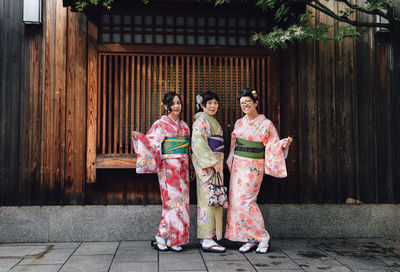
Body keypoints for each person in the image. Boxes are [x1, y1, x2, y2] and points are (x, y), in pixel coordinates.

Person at [225, 88, 293, 254]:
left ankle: (263, 237)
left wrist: (282, 144)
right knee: (235, 202)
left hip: (254, 166)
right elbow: (234, 146)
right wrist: (230, 162)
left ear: (256, 102)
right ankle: (249, 238)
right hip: (238, 165)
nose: (245, 105)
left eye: (248, 101)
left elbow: (272, 145)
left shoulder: (266, 124)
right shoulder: (239, 123)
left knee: (246, 201)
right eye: (242, 103)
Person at [132, 91, 190, 252]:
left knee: (182, 203)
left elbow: (189, 149)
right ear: (166, 106)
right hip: (168, 168)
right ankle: (165, 236)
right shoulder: (160, 124)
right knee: (171, 203)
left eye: (179, 103)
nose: (177, 106)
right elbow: (151, 143)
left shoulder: (184, 126)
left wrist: (190, 167)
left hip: (183, 167)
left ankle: (170, 238)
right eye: (173, 103)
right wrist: (140, 138)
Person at [191, 91, 226, 253]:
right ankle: (206, 238)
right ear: (202, 105)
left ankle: (212, 237)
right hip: (209, 166)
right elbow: (198, 145)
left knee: (215, 198)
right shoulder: (201, 121)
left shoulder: (211, 121)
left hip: (216, 163)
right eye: (209, 103)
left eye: (215, 103)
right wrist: (213, 163)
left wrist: (218, 163)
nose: (213, 106)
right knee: (208, 199)